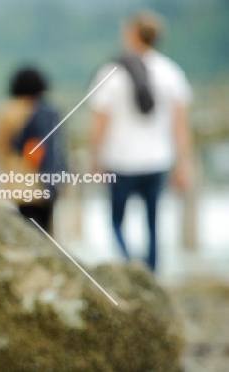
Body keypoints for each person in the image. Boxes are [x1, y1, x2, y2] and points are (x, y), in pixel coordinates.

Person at [89, 10, 193, 271]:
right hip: (158, 159)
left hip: (120, 160)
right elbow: (180, 126)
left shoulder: (111, 72)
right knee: (154, 223)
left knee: (115, 220)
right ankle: (152, 274)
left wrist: (95, 158)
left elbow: (100, 122)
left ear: (133, 34)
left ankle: (129, 266)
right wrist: (183, 164)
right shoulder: (171, 72)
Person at [0, 66, 67, 234]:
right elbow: (59, 146)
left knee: (29, 228)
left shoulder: (9, 111)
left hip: (22, 180)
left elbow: (3, 148)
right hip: (49, 179)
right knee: (46, 227)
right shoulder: (50, 111)